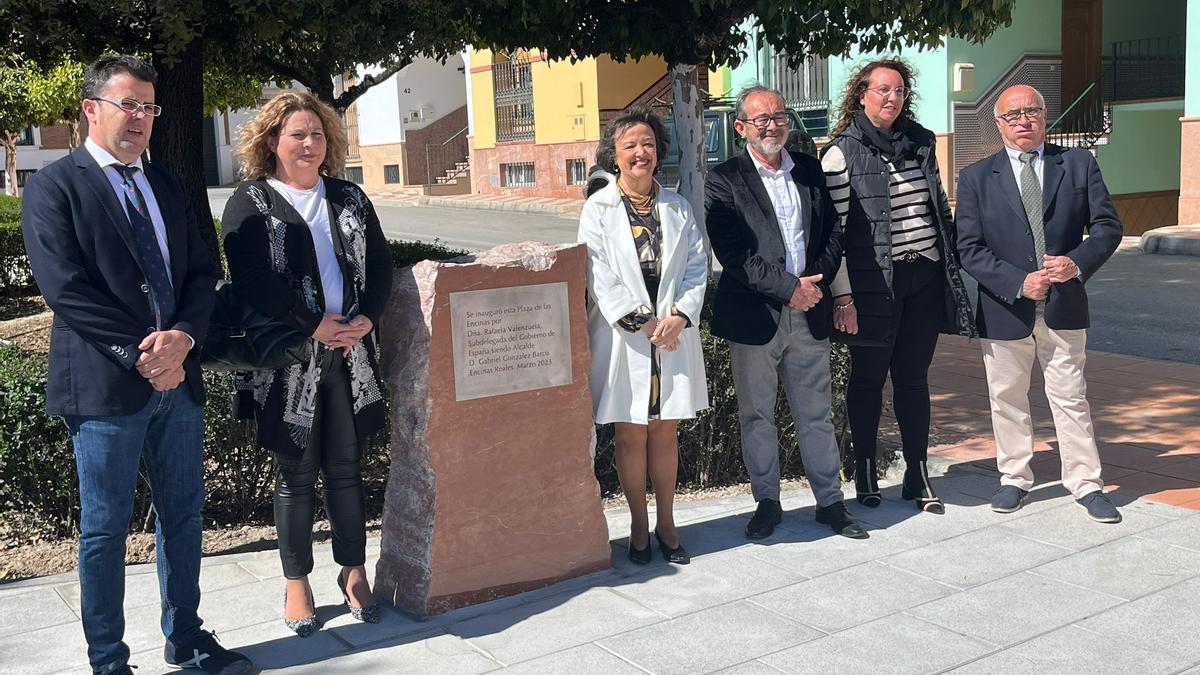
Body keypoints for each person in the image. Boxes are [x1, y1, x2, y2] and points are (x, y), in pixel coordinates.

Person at [20, 55, 253, 675]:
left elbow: (203, 274)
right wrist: (141, 352)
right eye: (130, 105)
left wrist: (181, 341)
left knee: (183, 513)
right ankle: (108, 660)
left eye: (150, 107)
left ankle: (186, 636)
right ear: (92, 109)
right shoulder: (54, 186)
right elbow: (65, 289)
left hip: (179, 380)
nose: (142, 119)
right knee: (104, 529)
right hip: (104, 389)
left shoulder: (169, 184)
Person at [222, 91, 393, 634]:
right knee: (294, 475)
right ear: (272, 141)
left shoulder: (347, 196)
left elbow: (383, 264)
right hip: (288, 363)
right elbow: (251, 280)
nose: (310, 144)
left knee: (346, 468)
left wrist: (366, 316)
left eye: (318, 135)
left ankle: (353, 571)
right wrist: (311, 322)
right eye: (298, 134)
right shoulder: (251, 201)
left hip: (349, 355)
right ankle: (297, 583)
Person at [705, 85, 867, 541]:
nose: (773, 125)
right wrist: (789, 289)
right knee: (757, 413)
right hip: (756, 317)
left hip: (809, 311)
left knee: (816, 413)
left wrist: (813, 285)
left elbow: (834, 233)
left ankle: (831, 503)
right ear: (741, 128)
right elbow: (734, 254)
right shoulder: (723, 180)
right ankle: (767, 502)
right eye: (761, 119)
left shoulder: (811, 172)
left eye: (779, 116)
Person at [956, 84, 1123, 523]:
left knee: (1070, 397)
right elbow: (968, 248)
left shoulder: (1078, 164)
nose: (1022, 120)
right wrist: (1017, 281)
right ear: (999, 125)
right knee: (1007, 397)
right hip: (1004, 307)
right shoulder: (975, 178)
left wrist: (1076, 263)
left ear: (1044, 116)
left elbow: (1107, 227)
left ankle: (1086, 484)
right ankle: (1014, 478)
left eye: (1031, 111)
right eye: (1012, 115)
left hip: (1064, 304)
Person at [821, 59, 975, 514]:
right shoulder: (840, 152)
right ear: (861, 94)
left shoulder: (922, 143)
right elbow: (835, 232)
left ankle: (918, 472)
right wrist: (843, 295)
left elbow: (938, 210)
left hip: (922, 278)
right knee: (868, 379)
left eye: (900, 91)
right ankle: (865, 473)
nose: (893, 98)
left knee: (913, 378)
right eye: (883, 90)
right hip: (871, 288)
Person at [578, 106, 709, 565]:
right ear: (614, 155)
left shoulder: (678, 207)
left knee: (666, 431)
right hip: (626, 339)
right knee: (630, 434)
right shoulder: (598, 208)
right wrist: (644, 322)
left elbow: (697, 267)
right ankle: (637, 523)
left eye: (648, 144)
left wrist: (679, 316)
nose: (641, 152)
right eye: (630, 145)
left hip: (672, 336)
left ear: (659, 152)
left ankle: (667, 522)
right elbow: (598, 275)